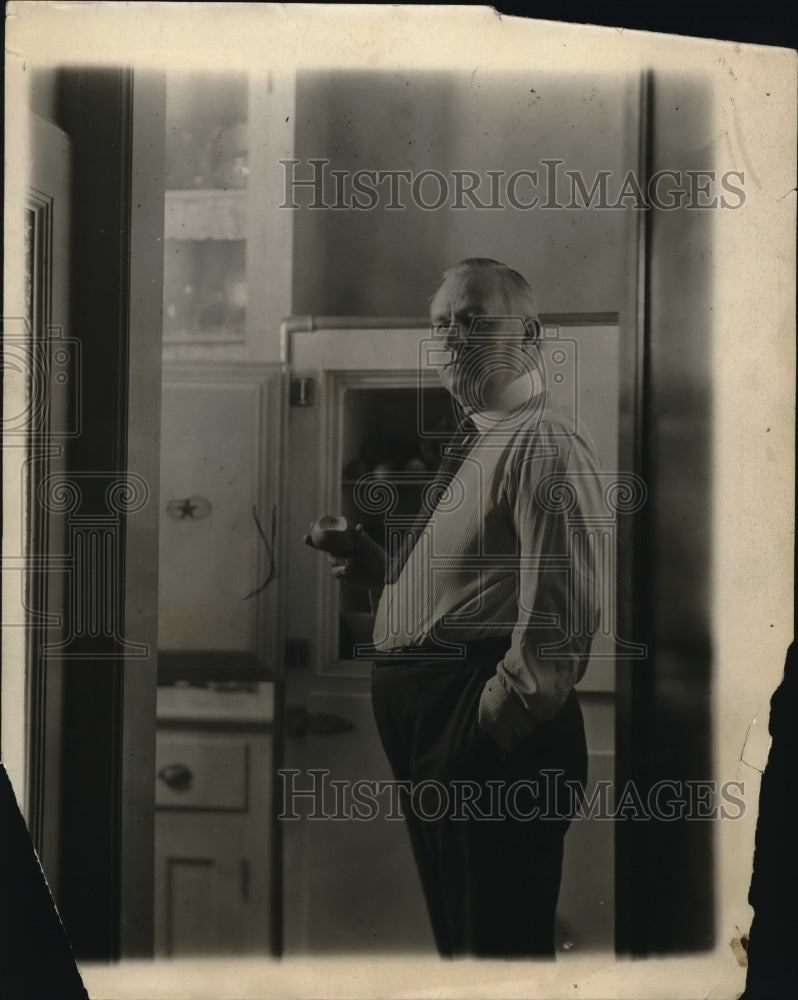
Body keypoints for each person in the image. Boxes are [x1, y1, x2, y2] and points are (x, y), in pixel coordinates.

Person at [307, 258, 603, 958]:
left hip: (482, 733)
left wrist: (490, 728)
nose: (452, 338)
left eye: (474, 321)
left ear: (529, 334)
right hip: (441, 722)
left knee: (494, 954)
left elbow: (560, 612)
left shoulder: (543, 438)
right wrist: (379, 566)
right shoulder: (481, 437)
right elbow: (472, 592)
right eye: (441, 323)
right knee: (466, 946)